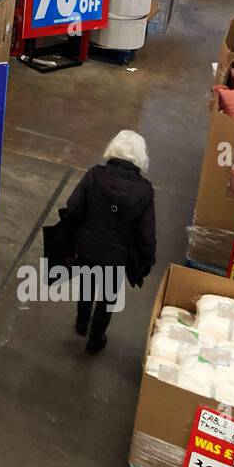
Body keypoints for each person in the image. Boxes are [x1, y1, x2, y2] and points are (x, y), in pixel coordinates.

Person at [63, 131, 156, 354]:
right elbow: (146, 232)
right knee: (107, 298)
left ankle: (81, 324)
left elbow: (73, 206)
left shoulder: (94, 176)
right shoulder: (144, 190)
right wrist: (147, 259)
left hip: (87, 246)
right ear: (140, 157)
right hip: (117, 256)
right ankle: (95, 341)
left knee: (86, 287)